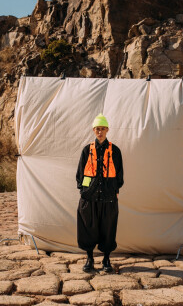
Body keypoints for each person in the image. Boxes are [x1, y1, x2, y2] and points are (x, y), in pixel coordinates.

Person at [76, 113, 124, 272]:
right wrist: (84, 191)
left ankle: (106, 260)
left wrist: (114, 190)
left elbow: (119, 176)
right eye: (97, 129)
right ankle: (89, 259)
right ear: (93, 130)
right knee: (88, 229)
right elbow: (81, 175)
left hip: (108, 199)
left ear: (107, 130)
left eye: (103, 129)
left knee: (108, 229)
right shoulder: (86, 150)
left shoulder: (115, 151)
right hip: (89, 198)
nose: (100, 132)